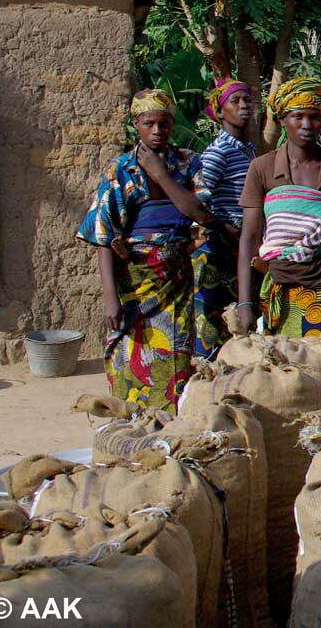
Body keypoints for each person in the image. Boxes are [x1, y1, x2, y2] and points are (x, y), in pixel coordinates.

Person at [78, 89, 214, 412]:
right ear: (136, 125)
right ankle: (132, 428)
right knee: (130, 357)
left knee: (177, 358)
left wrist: (161, 175)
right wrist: (111, 298)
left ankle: (168, 431)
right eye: (148, 123)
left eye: (164, 124)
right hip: (134, 285)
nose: (157, 131)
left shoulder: (188, 163)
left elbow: (200, 213)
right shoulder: (120, 170)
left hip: (177, 280)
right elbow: (103, 235)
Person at [237, 77, 321, 339]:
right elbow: (249, 238)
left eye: (315, 117)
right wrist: (244, 303)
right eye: (298, 116)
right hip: (279, 287)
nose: (307, 125)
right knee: (280, 372)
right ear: (283, 119)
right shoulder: (262, 168)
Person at [193, 78, 256, 359]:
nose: (243, 106)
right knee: (213, 322)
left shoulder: (249, 150)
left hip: (241, 245)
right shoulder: (219, 152)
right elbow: (198, 198)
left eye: (247, 100)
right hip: (219, 246)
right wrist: (223, 227)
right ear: (220, 113)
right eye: (235, 101)